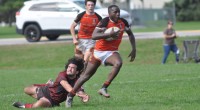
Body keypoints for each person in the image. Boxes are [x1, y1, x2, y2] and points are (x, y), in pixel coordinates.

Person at [65, 5, 136, 108]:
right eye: (115, 12)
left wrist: (134, 49)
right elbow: (94, 36)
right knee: (85, 76)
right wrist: (108, 34)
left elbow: (130, 34)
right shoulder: (104, 22)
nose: (118, 14)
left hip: (111, 52)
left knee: (118, 63)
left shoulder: (123, 22)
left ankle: (104, 88)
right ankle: (70, 95)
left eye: (118, 12)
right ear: (109, 13)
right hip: (98, 52)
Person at [12, 57, 89, 108]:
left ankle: (23, 106)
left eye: (72, 68)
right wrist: (78, 94)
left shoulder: (78, 80)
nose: (69, 69)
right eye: (69, 67)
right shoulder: (62, 74)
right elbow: (66, 85)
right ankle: (43, 94)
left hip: (52, 100)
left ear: (77, 71)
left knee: (38, 106)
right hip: (46, 90)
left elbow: (80, 90)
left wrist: (84, 96)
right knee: (26, 89)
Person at [70, 0, 102, 66]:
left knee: (85, 62)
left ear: (94, 6)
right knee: (78, 62)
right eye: (88, 5)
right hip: (80, 41)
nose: (90, 7)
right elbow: (72, 27)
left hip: (91, 41)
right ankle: (78, 75)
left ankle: (84, 74)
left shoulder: (98, 17)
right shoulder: (81, 16)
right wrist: (74, 39)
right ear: (85, 6)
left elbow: (102, 29)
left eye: (92, 5)